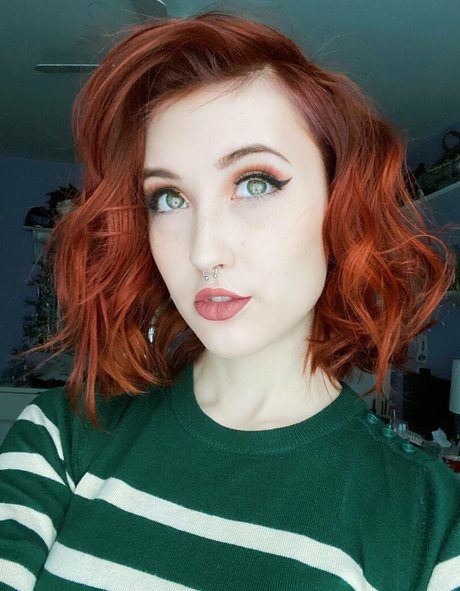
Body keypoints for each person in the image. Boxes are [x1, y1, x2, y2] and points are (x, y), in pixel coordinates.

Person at [0, 11, 459, 591]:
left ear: (340, 206)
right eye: (169, 197)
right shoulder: (61, 436)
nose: (203, 250)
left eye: (254, 182)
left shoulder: (430, 524)